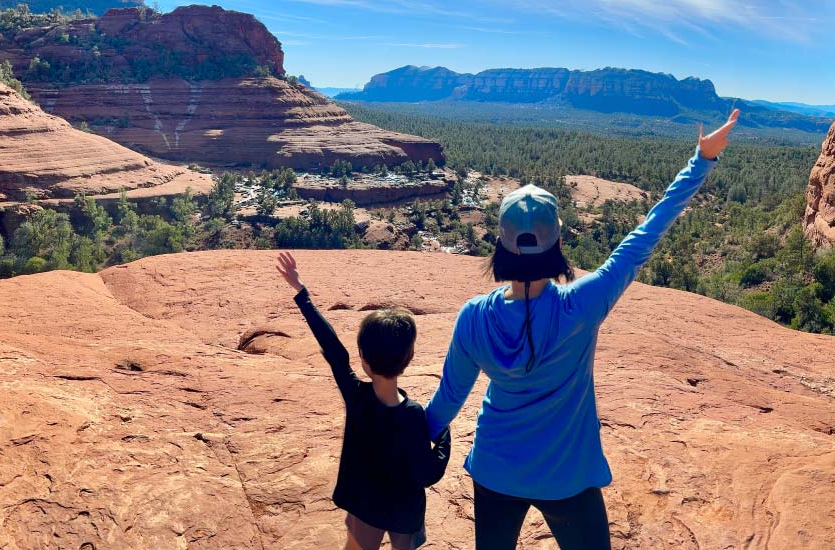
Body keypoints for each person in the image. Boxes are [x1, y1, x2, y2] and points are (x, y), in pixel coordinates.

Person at [423, 110, 740, 549]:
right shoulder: (582, 304)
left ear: (500, 244)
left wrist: (390, 427)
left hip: (496, 469)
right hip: (567, 477)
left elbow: (445, 406)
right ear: (558, 243)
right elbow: (642, 238)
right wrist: (701, 160)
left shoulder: (474, 316)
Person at [275, 252, 451, 550]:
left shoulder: (357, 396)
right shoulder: (413, 416)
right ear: (409, 358)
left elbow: (333, 349)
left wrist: (302, 293)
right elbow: (427, 473)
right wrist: (445, 438)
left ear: (363, 359)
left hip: (364, 505)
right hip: (402, 514)